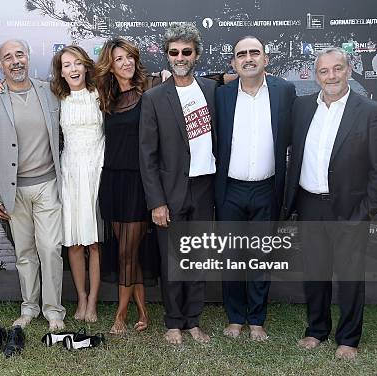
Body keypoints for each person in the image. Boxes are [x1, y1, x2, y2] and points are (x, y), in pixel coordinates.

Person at [284, 47, 377, 360]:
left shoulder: (371, 111)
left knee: (349, 275)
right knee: (315, 272)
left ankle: (348, 338)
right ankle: (316, 329)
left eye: (337, 69)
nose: (330, 76)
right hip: (309, 204)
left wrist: (365, 212)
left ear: (348, 71)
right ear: (316, 75)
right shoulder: (302, 107)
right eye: (324, 71)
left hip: (349, 208)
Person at [0, 39, 66, 331]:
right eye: (7, 58)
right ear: (0, 65)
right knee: (24, 252)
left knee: (51, 248)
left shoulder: (49, 91)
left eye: (20, 55)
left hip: (48, 185)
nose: (15, 61)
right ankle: (29, 307)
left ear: (28, 57)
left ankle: (54, 310)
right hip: (13, 190)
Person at [139, 24, 219, 344]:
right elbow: (147, 155)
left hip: (204, 188)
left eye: (187, 52)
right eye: (174, 52)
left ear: (196, 55)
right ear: (167, 55)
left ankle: (193, 321)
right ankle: (173, 322)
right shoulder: (154, 97)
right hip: (169, 192)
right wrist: (156, 201)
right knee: (172, 259)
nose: (180, 57)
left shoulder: (213, 92)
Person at [215, 36, 297, 341]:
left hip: (267, 188)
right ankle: (235, 318)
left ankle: (257, 320)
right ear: (233, 63)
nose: (248, 58)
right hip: (230, 190)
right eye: (241, 54)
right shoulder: (221, 95)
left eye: (254, 52)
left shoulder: (284, 91)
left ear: (266, 58)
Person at [95, 37, 161, 335]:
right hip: (112, 180)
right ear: (111, 64)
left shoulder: (150, 89)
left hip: (138, 180)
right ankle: (144, 311)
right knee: (127, 253)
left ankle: (120, 314)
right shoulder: (104, 97)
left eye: (130, 57)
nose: (126, 62)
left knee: (126, 252)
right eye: (119, 58)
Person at [51, 45, 103, 322]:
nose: (73, 69)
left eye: (77, 63)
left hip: (96, 172)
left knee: (93, 242)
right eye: (66, 65)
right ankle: (80, 298)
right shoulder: (56, 99)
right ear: (60, 72)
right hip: (69, 174)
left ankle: (93, 301)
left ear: (86, 66)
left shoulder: (100, 94)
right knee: (72, 242)